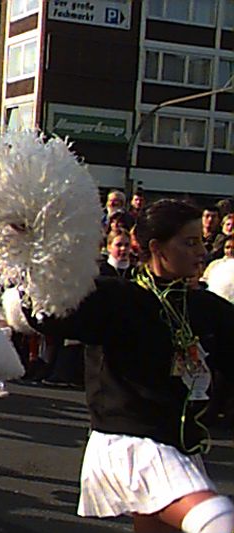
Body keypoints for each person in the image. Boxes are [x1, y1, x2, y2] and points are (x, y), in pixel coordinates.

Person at [28, 200, 234, 532]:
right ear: (157, 248)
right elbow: (51, 315)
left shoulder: (205, 307)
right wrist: (33, 262)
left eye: (201, 242)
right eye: (189, 242)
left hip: (177, 444)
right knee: (218, 521)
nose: (201, 251)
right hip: (129, 444)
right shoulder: (117, 298)